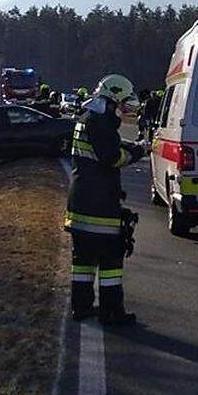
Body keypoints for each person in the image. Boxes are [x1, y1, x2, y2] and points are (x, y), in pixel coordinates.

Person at [66, 74, 147, 325]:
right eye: (122, 102)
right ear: (113, 99)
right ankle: (111, 312)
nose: (124, 108)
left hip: (80, 202)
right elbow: (112, 157)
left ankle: (81, 307)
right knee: (111, 261)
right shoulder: (102, 121)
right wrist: (137, 153)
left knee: (83, 262)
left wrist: (133, 145)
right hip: (99, 206)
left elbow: (105, 145)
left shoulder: (88, 116)